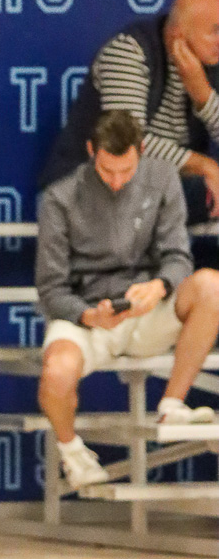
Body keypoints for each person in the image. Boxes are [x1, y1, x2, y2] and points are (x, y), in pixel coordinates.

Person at [37, 109, 219, 489]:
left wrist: (160, 287)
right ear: (91, 152)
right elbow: (52, 289)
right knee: (55, 373)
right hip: (89, 316)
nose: (118, 181)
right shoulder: (59, 198)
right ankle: (72, 452)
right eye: (107, 171)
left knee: (210, 286)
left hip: (148, 309)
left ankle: (172, 405)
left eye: (126, 170)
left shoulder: (163, 178)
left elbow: (177, 256)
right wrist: (88, 315)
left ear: (140, 151)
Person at [39, 0, 219, 219]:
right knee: (197, 192)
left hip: (153, 191)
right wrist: (205, 165)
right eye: (214, 31)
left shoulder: (212, 65)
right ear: (178, 36)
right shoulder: (129, 51)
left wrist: (202, 94)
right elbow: (127, 144)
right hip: (88, 186)